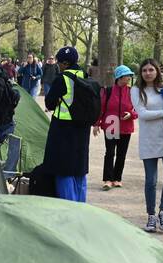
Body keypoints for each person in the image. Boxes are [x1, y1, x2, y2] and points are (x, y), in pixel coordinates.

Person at [132, 59, 163, 232]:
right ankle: (151, 215)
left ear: (157, 71)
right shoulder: (136, 90)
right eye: (144, 70)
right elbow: (142, 113)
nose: (148, 73)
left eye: (151, 69)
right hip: (149, 140)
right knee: (151, 181)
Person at [41, 46, 90, 202]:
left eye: (59, 62)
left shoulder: (62, 78)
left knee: (62, 168)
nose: (58, 65)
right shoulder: (85, 76)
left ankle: (68, 204)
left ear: (65, 63)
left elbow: (49, 103)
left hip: (63, 128)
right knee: (79, 169)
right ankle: (81, 204)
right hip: (82, 128)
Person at [95, 64, 135, 189]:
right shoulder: (108, 91)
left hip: (126, 127)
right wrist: (96, 124)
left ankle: (117, 178)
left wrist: (132, 114)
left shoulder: (132, 92)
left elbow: (139, 109)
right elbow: (101, 108)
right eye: (127, 75)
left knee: (121, 154)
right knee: (110, 153)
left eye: (130, 75)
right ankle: (107, 179)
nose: (129, 78)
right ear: (119, 77)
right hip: (111, 124)